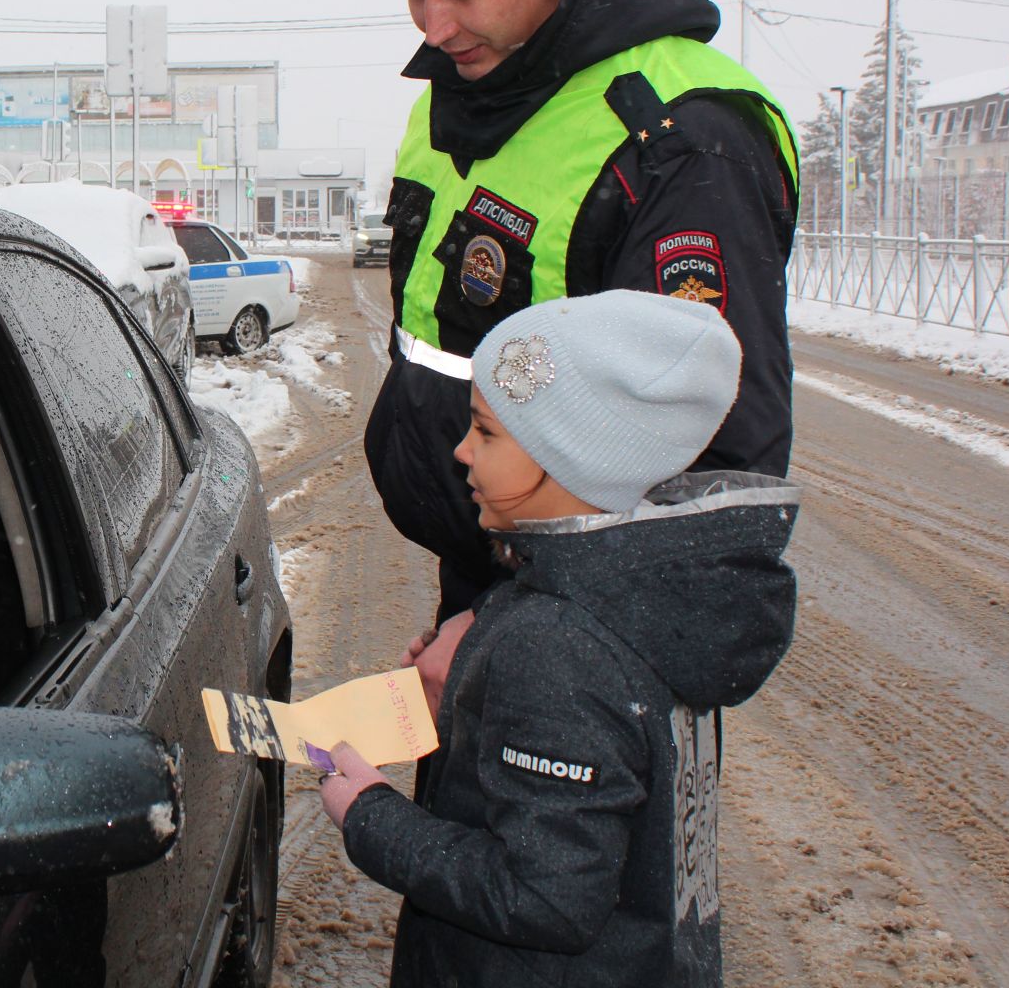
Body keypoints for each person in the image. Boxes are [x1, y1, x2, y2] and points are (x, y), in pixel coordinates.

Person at [356, 0, 801, 622]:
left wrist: (522, 633)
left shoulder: (682, 139)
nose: (433, 28)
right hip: (487, 582)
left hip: (586, 629)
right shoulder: (459, 94)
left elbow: (710, 474)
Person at [320, 289, 799, 987]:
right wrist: (470, 697)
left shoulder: (561, 643)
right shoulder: (642, 599)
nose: (460, 451)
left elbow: (542, 894)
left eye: (485, 432)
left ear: (569, 453)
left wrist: (370, 816)